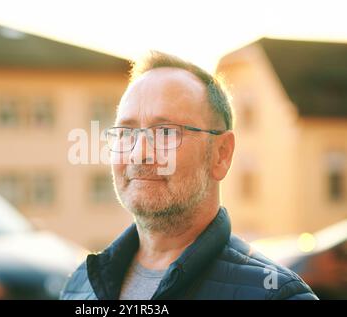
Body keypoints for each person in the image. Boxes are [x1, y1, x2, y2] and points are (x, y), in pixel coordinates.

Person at [61, 51, 317, 300]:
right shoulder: (79, 286)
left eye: (165, 133)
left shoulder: (277, 294)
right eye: (126, 133)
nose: (139, 154)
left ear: (221, 154)